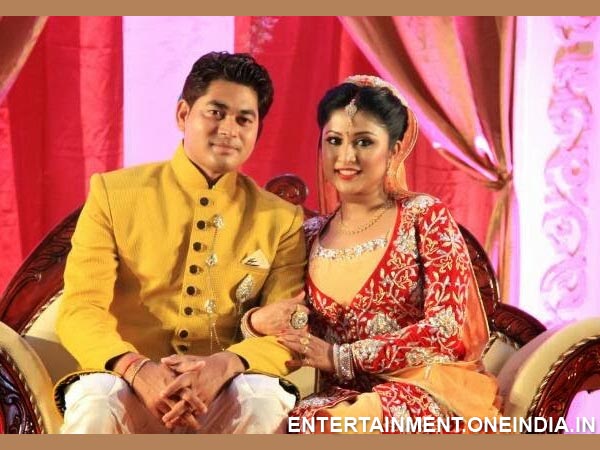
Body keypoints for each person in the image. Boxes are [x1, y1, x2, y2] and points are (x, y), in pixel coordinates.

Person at [55, 51, 310, 433]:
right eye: (216, 112)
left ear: (257, 130)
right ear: (182, 114)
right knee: (97, 399)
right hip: (126, 385)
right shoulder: (114, 193)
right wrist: (135, 369)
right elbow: (80, 309)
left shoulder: (280, 219)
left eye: (244, 119)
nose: (229, 129)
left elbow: (287, 329)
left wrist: (223, 367)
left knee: (262, 399)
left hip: (219, 395)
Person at [272, 75, 502, 433]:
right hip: (343, 397)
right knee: (296, 422)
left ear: (394, 149)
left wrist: (340, 357)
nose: (346, 157)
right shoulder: (308, 235)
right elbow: (286, 317)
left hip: (425, 388)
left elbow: (445, 328)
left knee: (341, 425)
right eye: (334, 141)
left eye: (364, 142)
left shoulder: (423, 217)